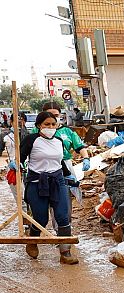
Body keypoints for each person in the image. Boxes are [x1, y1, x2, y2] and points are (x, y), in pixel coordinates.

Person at [19, 111, 79, 264]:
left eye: (53, 124)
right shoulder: (31, 140)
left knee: (63, 216)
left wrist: (69, 175)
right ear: (39, 125)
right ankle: (32, 242)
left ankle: (65, 253)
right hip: (36, 182)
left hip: (57, 181)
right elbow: (20, 158)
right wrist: (16, 165)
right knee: (41, 218)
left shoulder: (59, 140)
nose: (50, 127)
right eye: (47, 124)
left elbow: (60, 161)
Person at [38, 102, 90, 171]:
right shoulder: (36, 131)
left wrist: (86, 158)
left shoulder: (67, 131)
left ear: (60, 115)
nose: (53, 118)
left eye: (56, 115)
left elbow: (79, 147)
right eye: (49, 115)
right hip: (43, 166)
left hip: (65, 165)